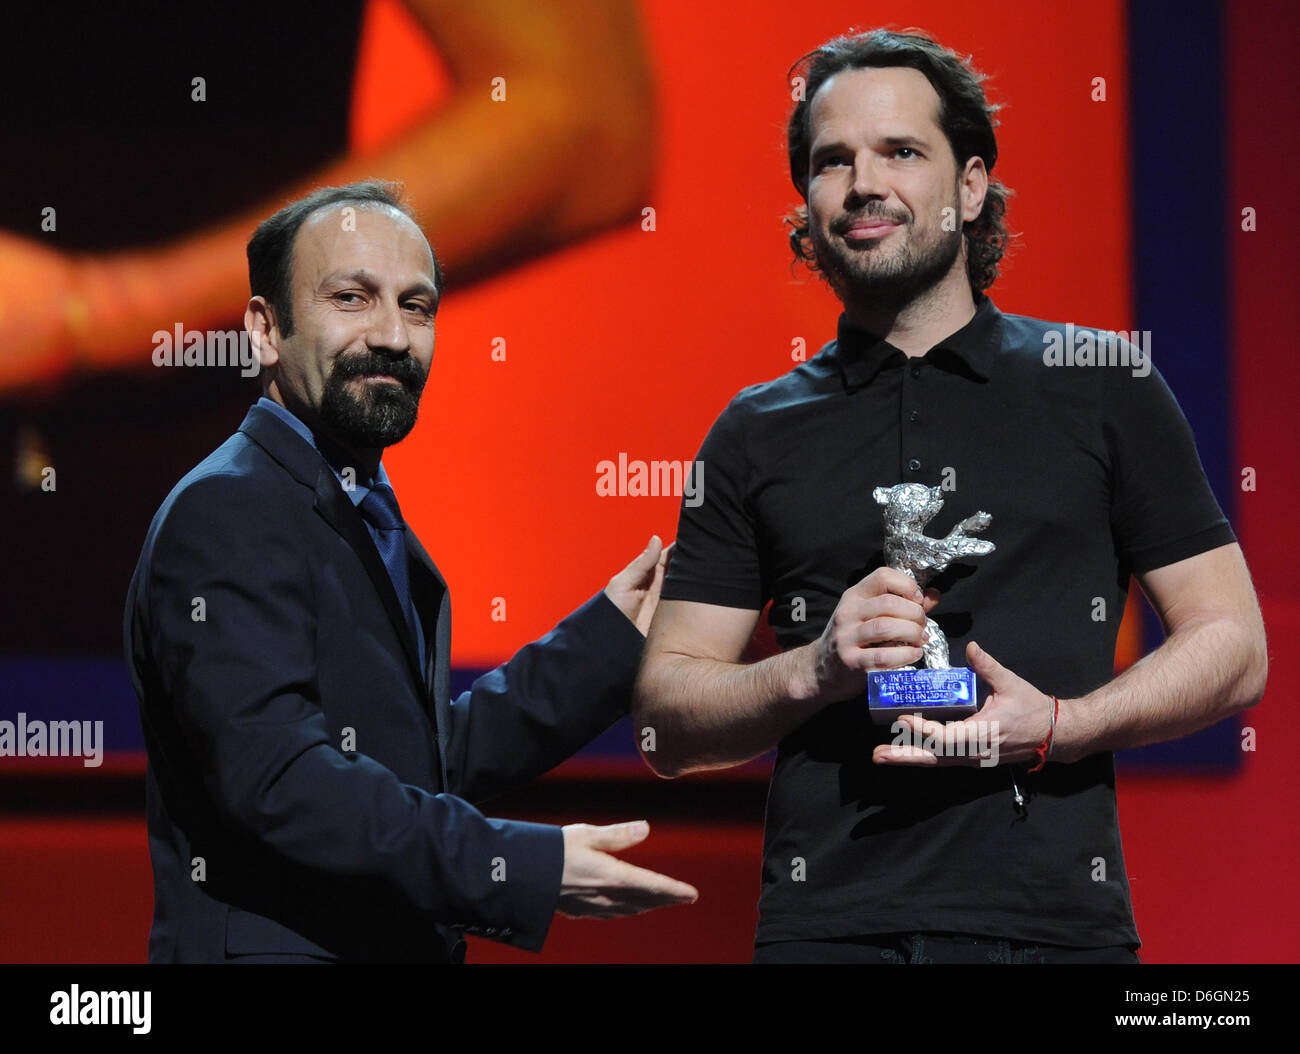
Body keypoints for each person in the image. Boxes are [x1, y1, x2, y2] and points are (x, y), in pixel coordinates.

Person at [633, 29, 1267, 964]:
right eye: (831, 160)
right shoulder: (754, 429)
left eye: (901, 151)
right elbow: (662, 722)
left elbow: (1235, 647)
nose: (863, 183)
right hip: (827, 936)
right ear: (806, 202)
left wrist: (1062, 725)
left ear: (971, 187)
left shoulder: (1102, 384)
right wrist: (815, 669)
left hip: (1053, 933)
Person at [124, 180, 697, 964]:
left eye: (418, 307)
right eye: (352, 299)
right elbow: (283, 780)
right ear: (264, 329)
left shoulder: (353, 508)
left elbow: (414, 759)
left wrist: (610, 641)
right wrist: (518, 864)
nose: (393, 334)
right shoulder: (230, 510)